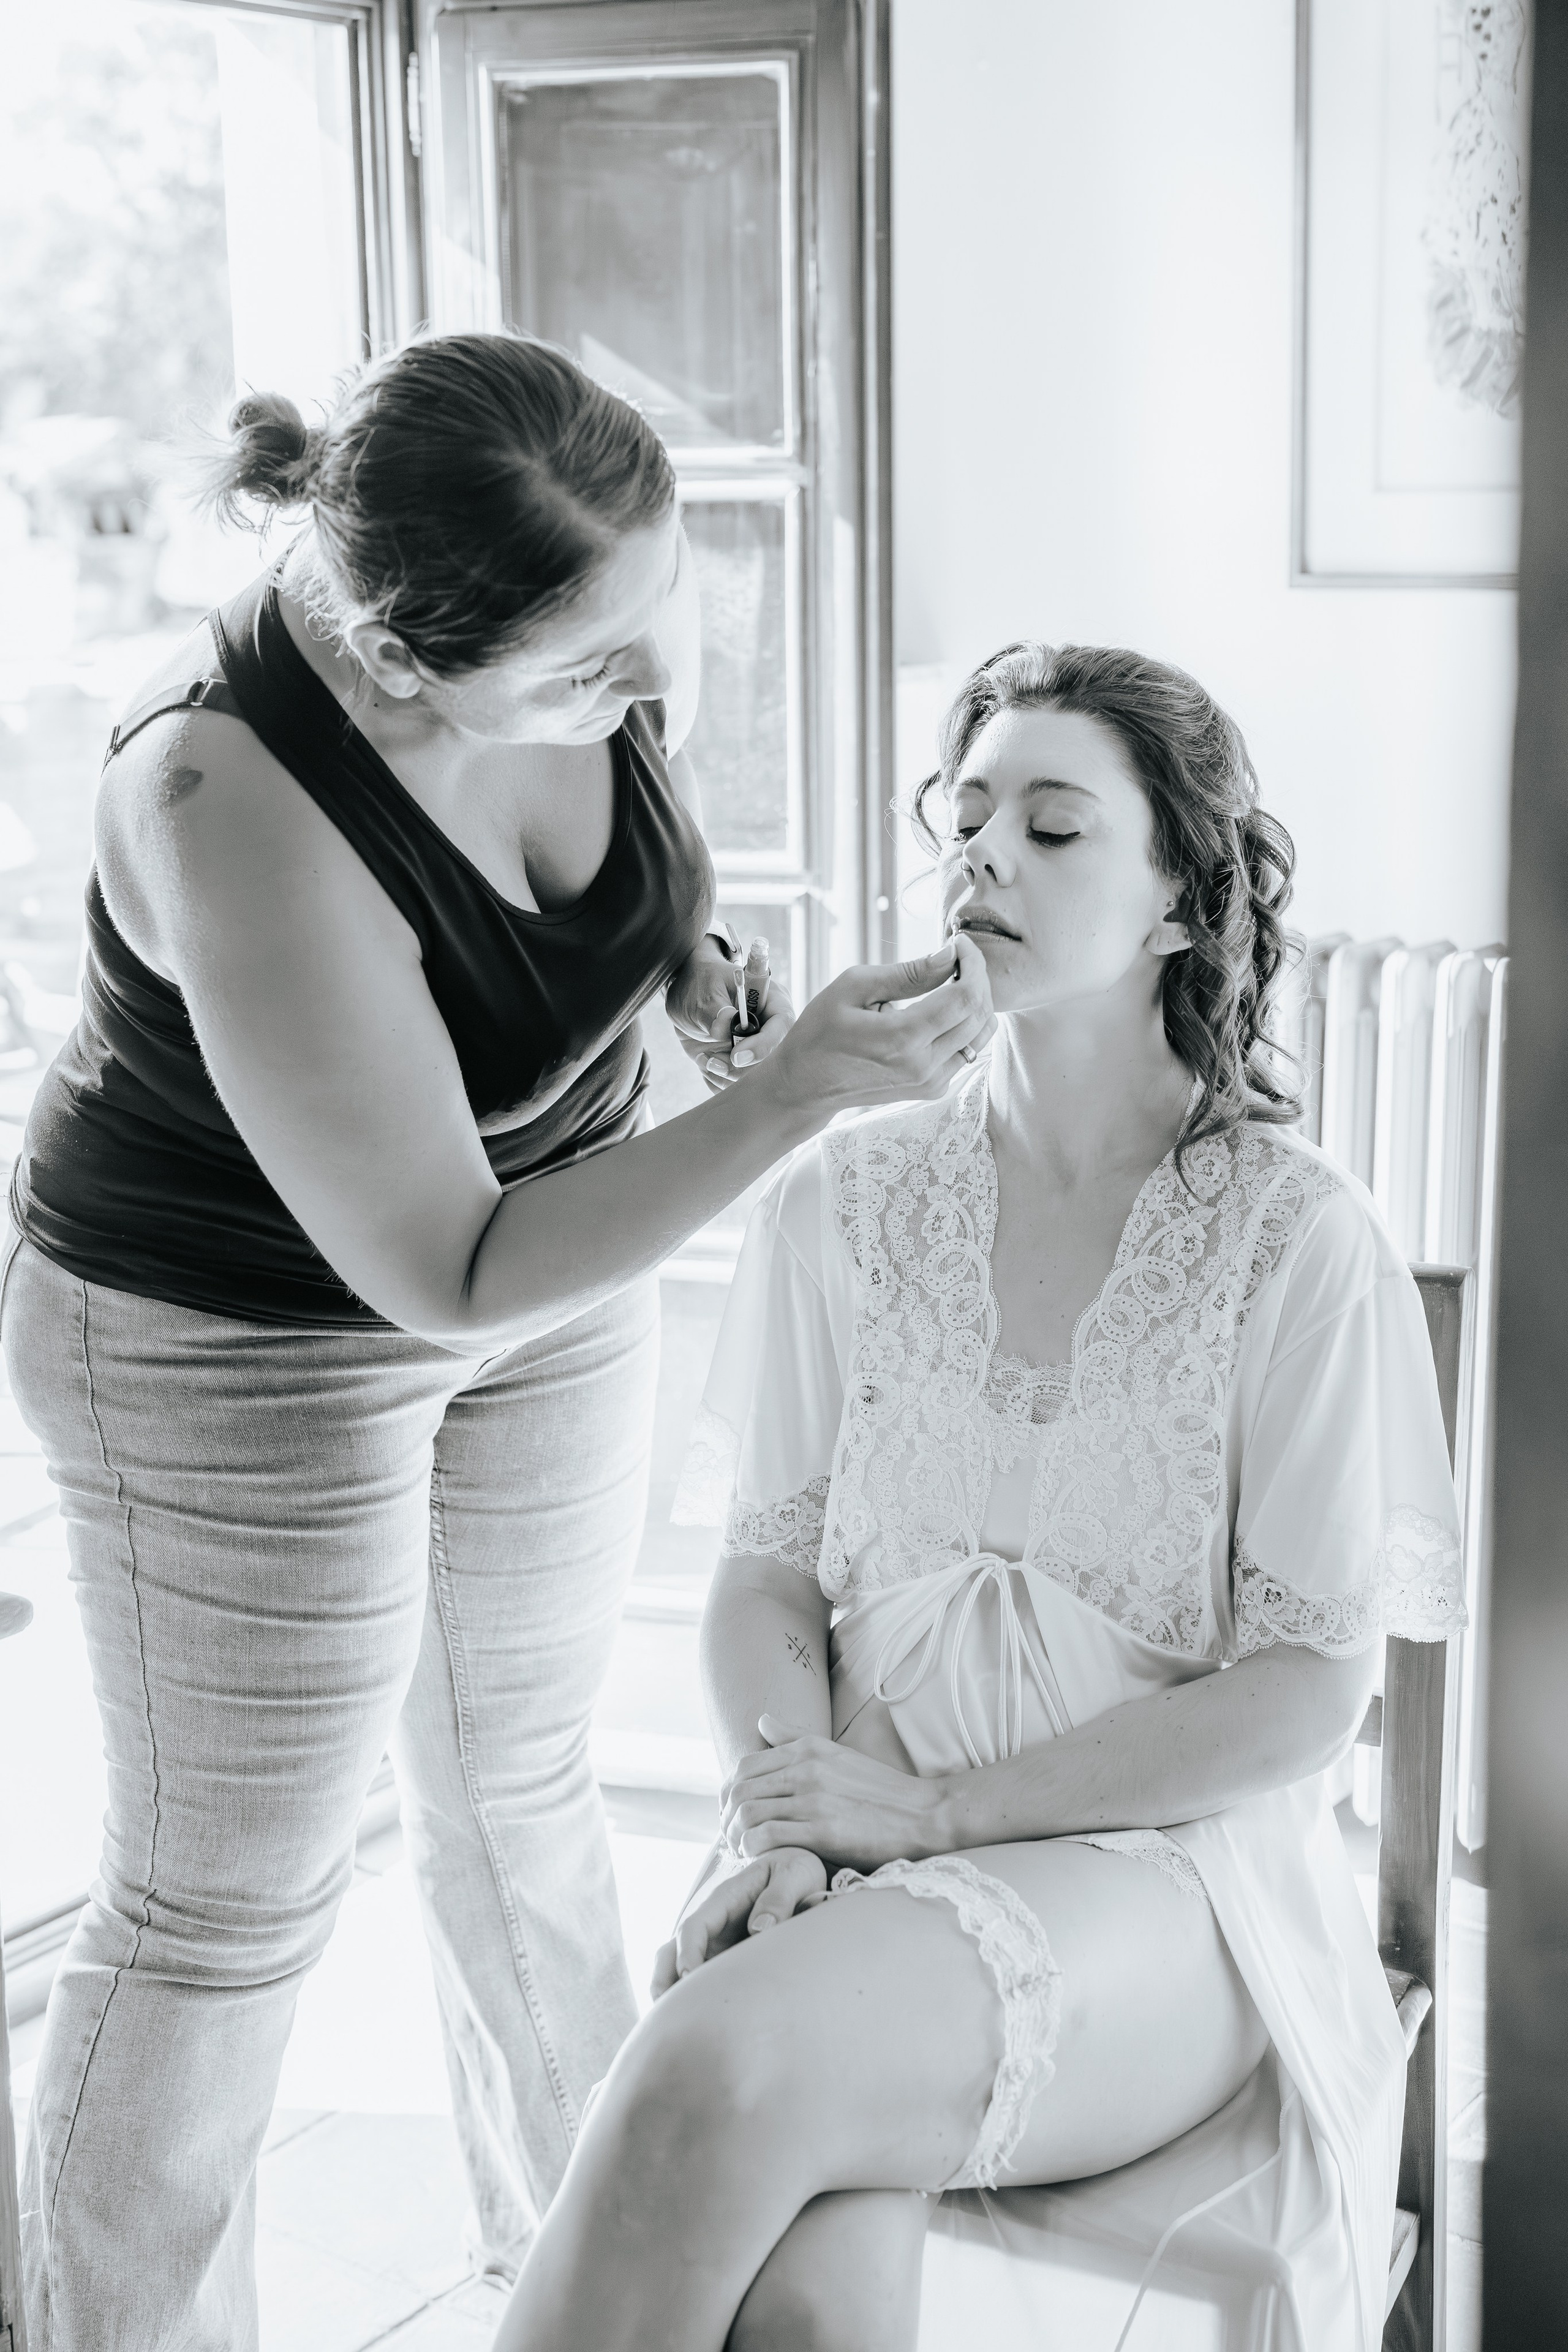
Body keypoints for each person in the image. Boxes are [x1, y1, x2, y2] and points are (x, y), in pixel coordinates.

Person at [1, 330, 995, 2352]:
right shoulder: (221, 791)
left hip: (552, 1253)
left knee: (517, 1787)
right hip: (235, 1338)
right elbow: (442, 1269)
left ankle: (588, 2285)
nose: (651, 697)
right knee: (225, 1911)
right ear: (395, 671)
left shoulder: (568, 590)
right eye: (593, 675)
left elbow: (586, 899)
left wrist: (697, 985)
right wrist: (795, 1093)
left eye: (661, 627)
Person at [492, 641, 1468, 2352]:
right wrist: (792, 1822)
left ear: (1182, 901)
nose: (984, 856)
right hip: (854, 1845)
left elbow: (1310, 1692)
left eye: (1056, 826)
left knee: (700, 2070)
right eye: (968, 818)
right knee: (802, 2307)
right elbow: (766, 1582)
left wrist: (928, 1824)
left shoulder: (1294, 1237)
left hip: (1162, 1881)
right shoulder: (844, 1200)